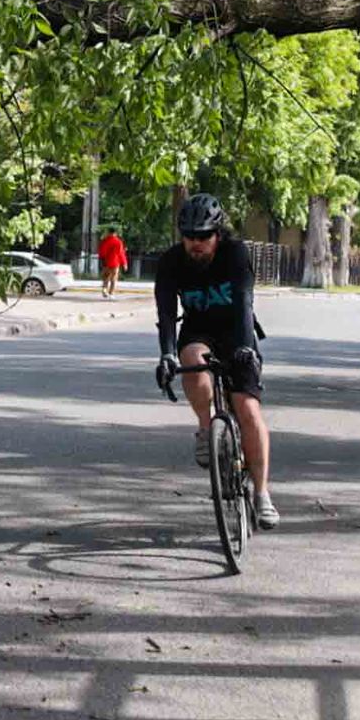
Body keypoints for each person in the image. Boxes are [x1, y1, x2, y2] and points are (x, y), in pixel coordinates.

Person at [153, 193, 278, 529]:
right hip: (198, 330)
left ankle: (262, 494)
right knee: (190, 359)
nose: (196, 243)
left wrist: (244, 348)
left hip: (236, 331)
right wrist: (166, 353)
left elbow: (243, 301)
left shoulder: (234, 254)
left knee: (248, 408)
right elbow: (166, 314)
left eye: (203, 236)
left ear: (217, 234)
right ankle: (206, 429)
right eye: (189, 236)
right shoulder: (170, 262)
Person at [96, 225, 128, 298]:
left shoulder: (104, 241)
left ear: (108, 232)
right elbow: (121, 253)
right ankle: (111, 293)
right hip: (115, 262)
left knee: (105, 277)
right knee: (113, 278)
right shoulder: (118, 242)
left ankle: (104, 290)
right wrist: (124, 263)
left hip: (106, 262)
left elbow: (101, 252)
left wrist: (102, 259)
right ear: (115, 233)